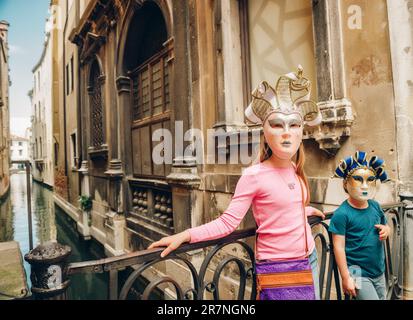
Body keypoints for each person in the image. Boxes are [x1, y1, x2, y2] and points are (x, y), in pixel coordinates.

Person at [149, 66, 325, 299]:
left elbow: (284, 205)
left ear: (301, 130)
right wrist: (186, 235)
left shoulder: (294, 168)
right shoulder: (254, 175)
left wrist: (305, 211)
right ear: (265, 132)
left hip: (309, 257)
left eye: (293, 124)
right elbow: (227, 223)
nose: (286, 132)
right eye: (277, 125)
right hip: (280, 268)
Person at [329, 151, 391, 300]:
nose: (365, 186)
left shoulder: (375, 206)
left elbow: (385, 224)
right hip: (356, 272)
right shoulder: (342, 214)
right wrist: (345, 277)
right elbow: (339, 247)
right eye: (358, 180)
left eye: (370, 180)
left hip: (378, 270)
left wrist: (387, 229)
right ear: (346, 183)